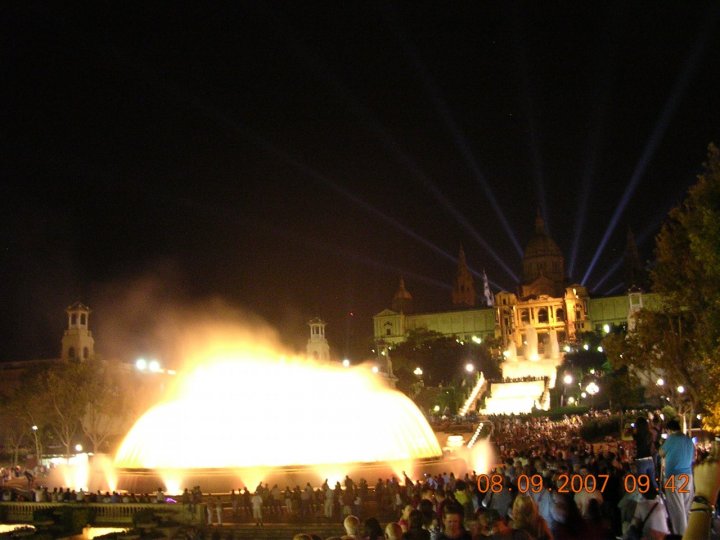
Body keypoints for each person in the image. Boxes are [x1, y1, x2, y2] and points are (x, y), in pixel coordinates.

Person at [659, 418, 695, 535]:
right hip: (688, 477)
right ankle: (690, 533)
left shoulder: (671, 439)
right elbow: (693, 457)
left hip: (672, 477)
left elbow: (661, 453)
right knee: (686, 508)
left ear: (669, 430)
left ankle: (681, 535)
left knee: (676, 509)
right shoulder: (688, 440)